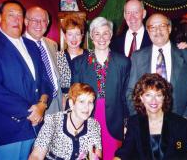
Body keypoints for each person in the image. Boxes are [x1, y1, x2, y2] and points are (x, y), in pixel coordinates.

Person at [0, 0, 52, 160]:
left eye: (20, 15)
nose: (17, 19)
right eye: (11, 15)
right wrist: (31, 112)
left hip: (35, 126)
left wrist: (42, 105)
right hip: (8, 128)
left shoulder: (31, 46)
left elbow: (44, 80)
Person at [126, 13, 187, 126]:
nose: (158, 31)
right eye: (153, 27)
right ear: (148, 31)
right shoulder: (137, 57)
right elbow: (130, 92)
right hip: (147, 123)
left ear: (170, 28)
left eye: (162, 26)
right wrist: (139, 119)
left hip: (179, 122)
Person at [72, 16, 131, 160]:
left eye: (105, 33)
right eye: (97, 34)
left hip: (114, 119)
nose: (101, 38)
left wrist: (126, 124)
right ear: (91, 36)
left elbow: (126, 96)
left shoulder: (123, 62)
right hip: (87, 115)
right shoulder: (79, 63)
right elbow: (74, 95)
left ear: (111, 35)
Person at [114, 73, 187, 160]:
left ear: (164, 97)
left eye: (158, 95)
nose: (153, 101)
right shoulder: (134, 122)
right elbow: (124, 152)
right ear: (141, 98)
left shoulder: (181, 124)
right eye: (148, 95)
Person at [29, 83, 102, 160]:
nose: (86, 107)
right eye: (81, 101)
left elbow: (97, 156)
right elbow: (36, 156)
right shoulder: (54, 121)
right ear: (71, 103)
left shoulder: (94, 125)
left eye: (90, 102)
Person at [24, 6, 62, 114]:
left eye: (43, 21)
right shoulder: (19, 46)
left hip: (57, 100)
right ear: (26, 22)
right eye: (34, 20)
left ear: (48, 23)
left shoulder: (52, 44)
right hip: (35, 105)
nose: (39, 24)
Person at [56, 14, 88, 108]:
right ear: (65, 36)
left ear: (82, 36)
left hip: (86, 103)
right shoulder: (56, 56)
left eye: (77, 34)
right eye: (70, 34)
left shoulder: (91, 56)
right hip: (62, 103)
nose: (74, 38)